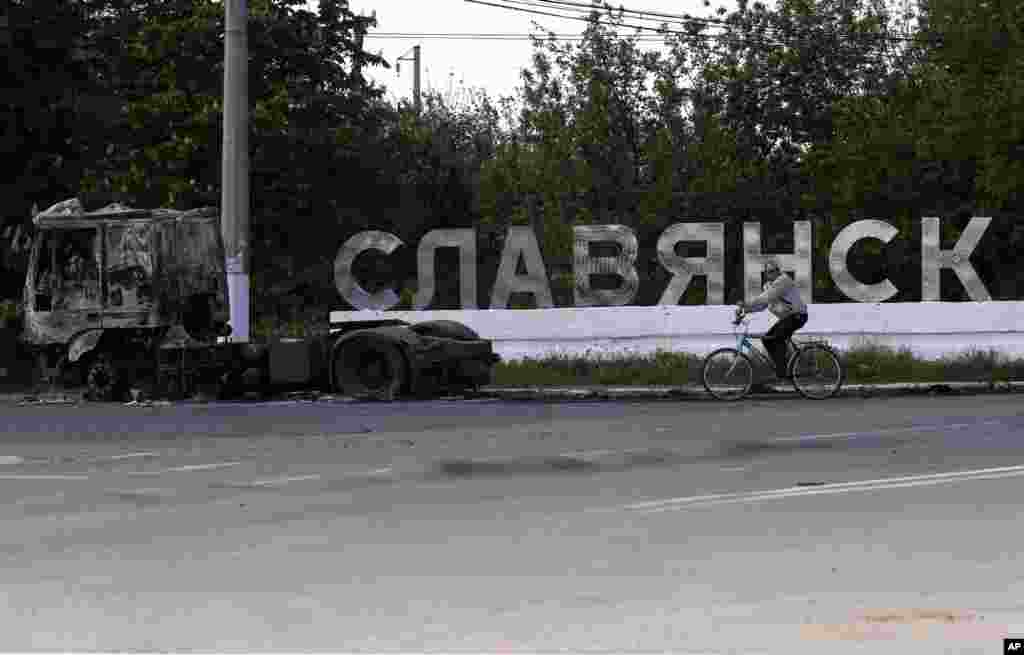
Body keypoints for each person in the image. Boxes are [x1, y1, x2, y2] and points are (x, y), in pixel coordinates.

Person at [735, 259, 808, 381]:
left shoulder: (783, 281)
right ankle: (783, 369)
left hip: (797, 315)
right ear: (766, 273)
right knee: (768, 340)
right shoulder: (769, 286)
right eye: (769, 272)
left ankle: (783, 371)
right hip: (788, 318)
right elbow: (762, 305)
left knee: (775, 339)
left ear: (779, 271)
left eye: (774, 271)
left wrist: (745, 304)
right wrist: (744, 311)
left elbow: (766, 297)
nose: (772, 274)